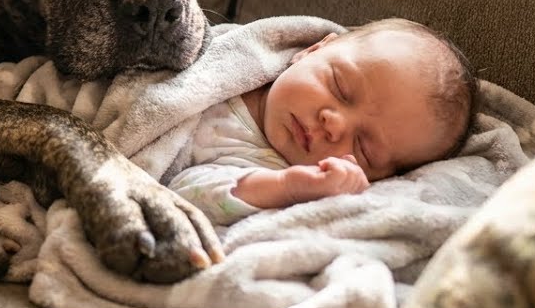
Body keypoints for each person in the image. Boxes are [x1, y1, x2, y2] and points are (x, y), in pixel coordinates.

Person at [168, 18, 479, 225]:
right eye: (340, 87)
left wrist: (287, 188)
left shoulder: (276, 173)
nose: (334, 125)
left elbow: (188, 197)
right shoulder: (240, 58)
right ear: (312, 50)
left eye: (364, 147)